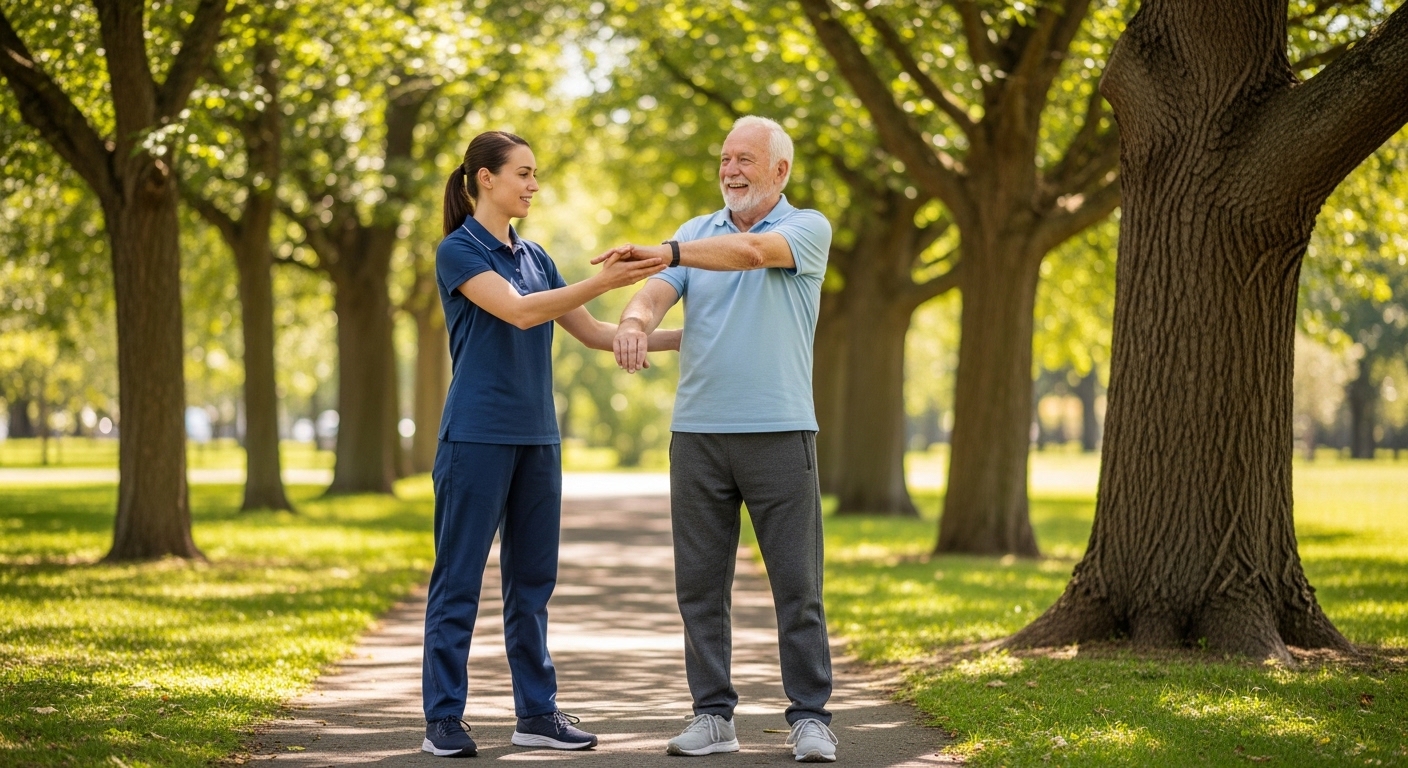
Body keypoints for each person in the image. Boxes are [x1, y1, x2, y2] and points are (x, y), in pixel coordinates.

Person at [422, 130, 678, 758]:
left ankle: (536, 715)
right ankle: (443, 721)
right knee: (458, 580)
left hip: (538, 438)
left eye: (536, 176)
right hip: (476, 437)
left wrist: (690, 339)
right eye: (524, 174)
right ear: (486, 178)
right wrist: (606, 281)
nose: (534, 186)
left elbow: (591, 333)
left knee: (532, 582)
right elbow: (520, 312)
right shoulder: (458, 252)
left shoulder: (536, 256)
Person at [605, 115, 838, 763]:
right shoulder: (691, 233)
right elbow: (656, 291)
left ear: (779, 171)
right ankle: (713, 716)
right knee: (700, 587)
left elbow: (752, 257)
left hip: (780, 432)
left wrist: (671, 253)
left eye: (744, 159)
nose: (730, 170)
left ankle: (811, 718)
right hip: (699, 435)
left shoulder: (805, 227)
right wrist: (632, 318)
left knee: (798, 585)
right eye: (725, 158)